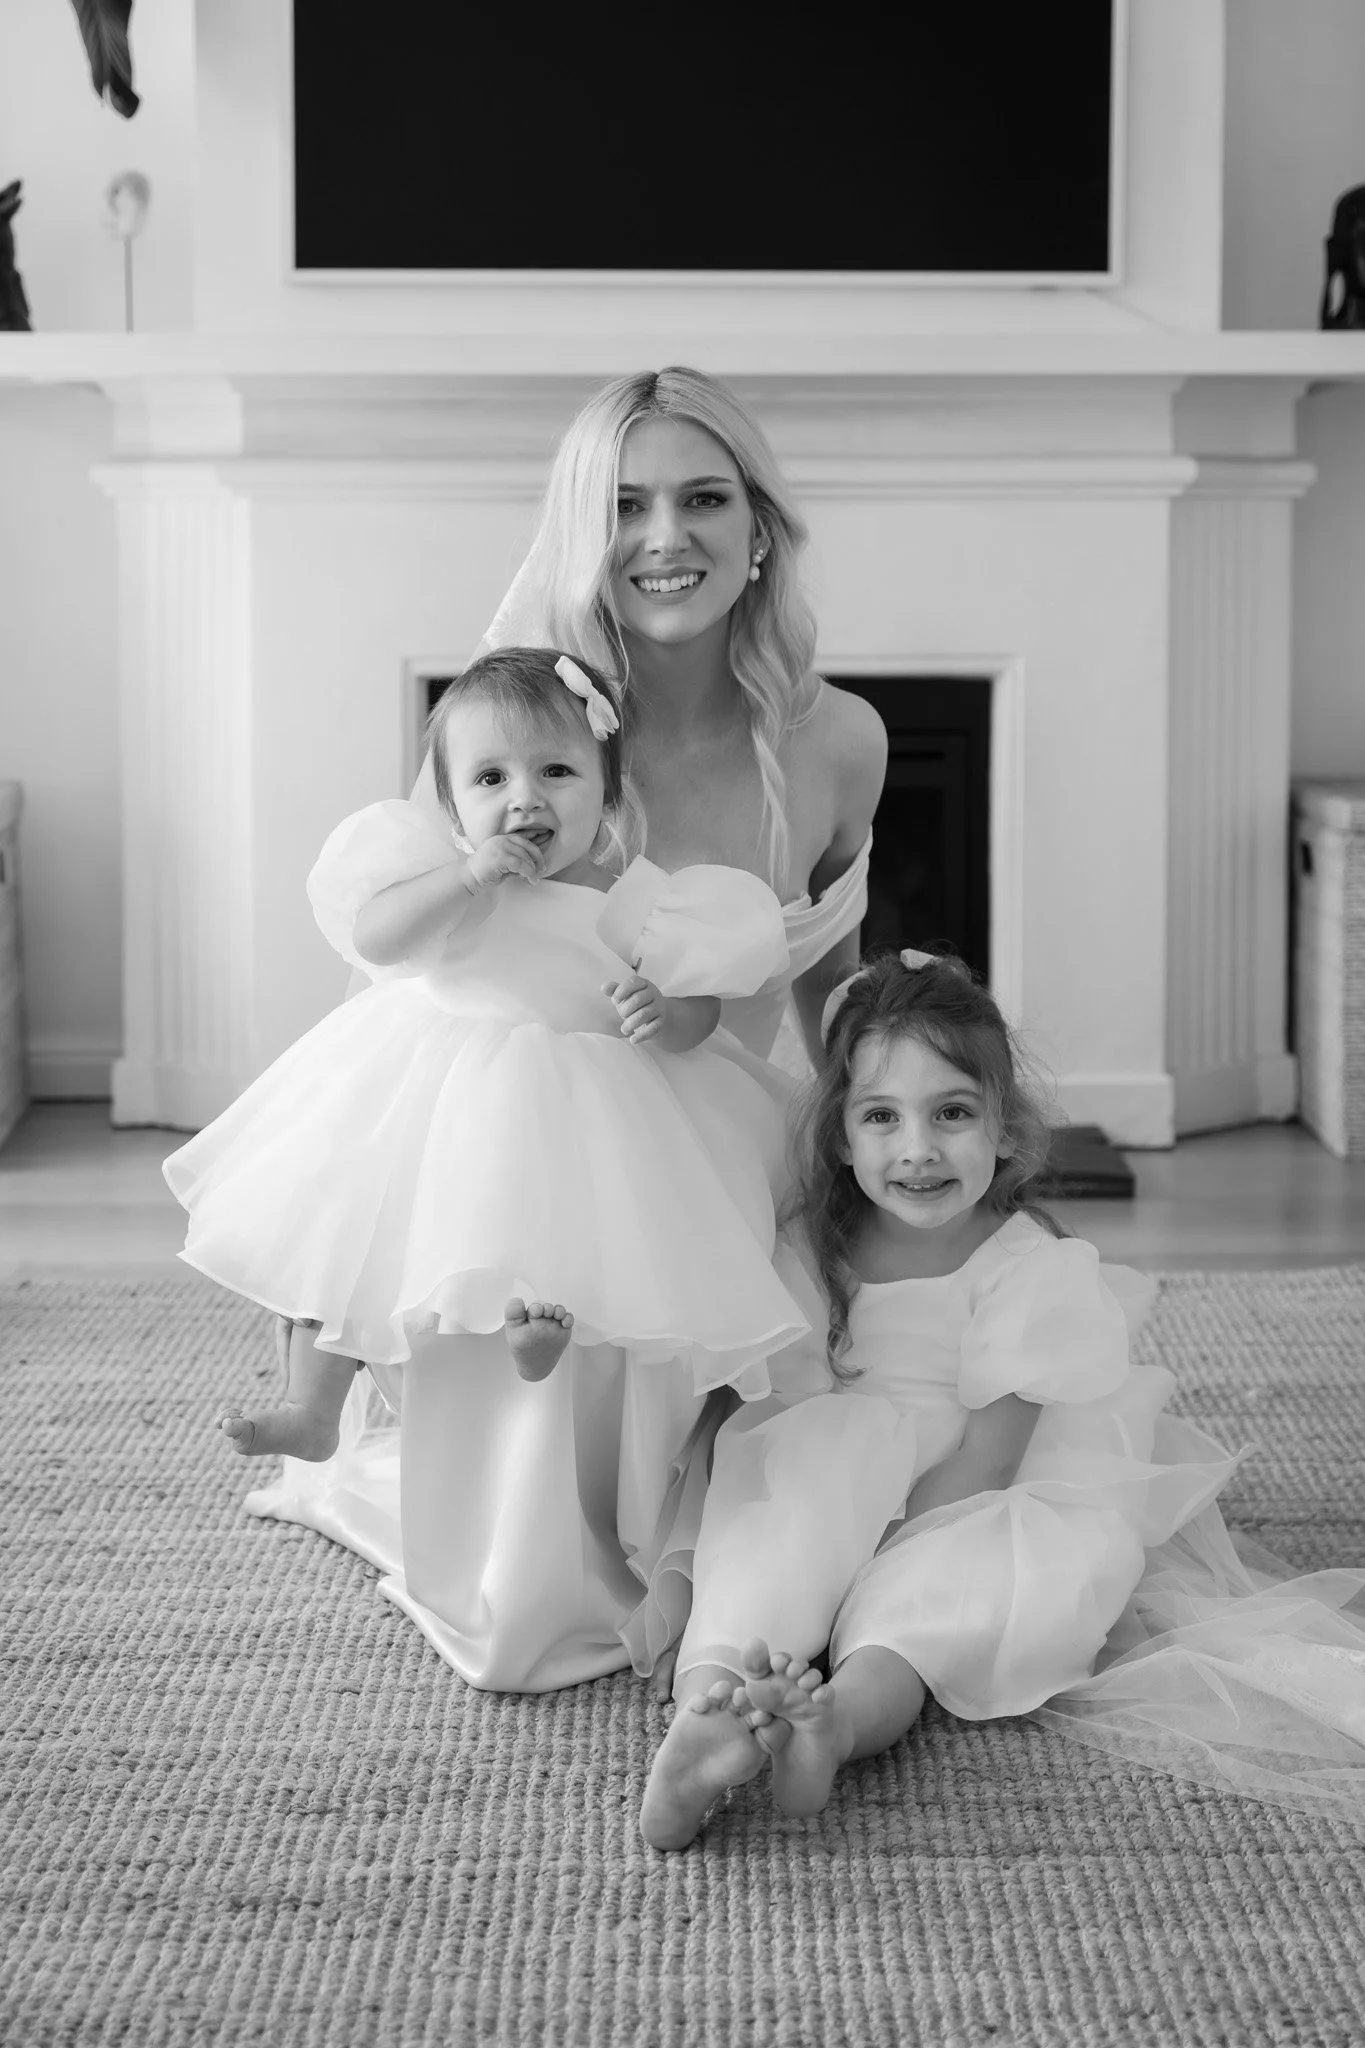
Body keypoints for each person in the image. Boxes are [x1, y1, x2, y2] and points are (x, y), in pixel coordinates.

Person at [229, 367, 889, 1691]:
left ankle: (728, 1634)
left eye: (704, 498)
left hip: (718, 1131)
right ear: (579, 535)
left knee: (816, 1442)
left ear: (759, 527)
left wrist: (870, 1168)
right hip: (525, 1147)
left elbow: (832, 981)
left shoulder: (841, 741)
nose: (664, 538)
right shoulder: (523, 728)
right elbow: (425, 975)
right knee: (551, 1485)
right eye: (624, 505)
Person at [641, 951, 1365, 1848]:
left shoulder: (1028, 1267)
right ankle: (706, 1714)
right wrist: (817, 1552)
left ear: (1005, 1131)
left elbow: (988, 1460)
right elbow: (781, 1403)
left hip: (975, 1492)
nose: (917, 1149)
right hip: (836, 1456)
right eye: (881, 1117)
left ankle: (838, 1725)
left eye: (951, 1113)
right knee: (770, 1531)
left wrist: (865, 1569)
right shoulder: (807, 1246)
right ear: (839, 1137)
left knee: (928, 1611)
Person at [165, 648, 809, 1468]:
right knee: (347, 1239)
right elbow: (376, 940)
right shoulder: (443, 879)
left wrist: (666, 1012)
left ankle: (538, 1351)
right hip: (428, 1094)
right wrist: (465, 880)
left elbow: (699, 1008)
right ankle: (311, 1406)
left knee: (567, 1233)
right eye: (490, 779)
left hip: (590, 1107)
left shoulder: (637, 900)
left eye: (555, 772)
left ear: (607, 792)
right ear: (453, 804)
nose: (524, 798)